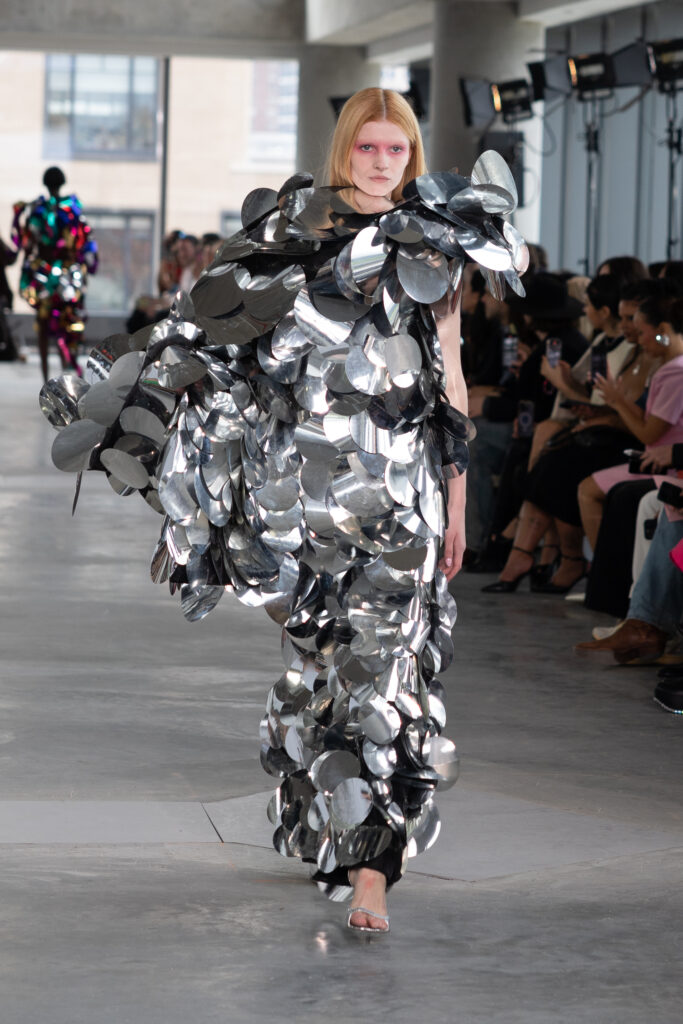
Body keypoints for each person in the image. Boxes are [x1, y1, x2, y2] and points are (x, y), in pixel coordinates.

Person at [39, 88, 527, 933]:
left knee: (393, 668)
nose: (382, 163)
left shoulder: (438, 247)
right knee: (326, 668)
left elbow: (448, 379)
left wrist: (455, 502)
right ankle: (333, 833)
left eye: (397, 150)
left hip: (404, 488)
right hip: (303, 497)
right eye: (368, 148)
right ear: (344, 151)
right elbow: (213, 342)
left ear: (412, 156)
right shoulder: (287, 241)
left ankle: (373, 871)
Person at [578, 292, 683, 551]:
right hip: (659, 462)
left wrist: (617, 401)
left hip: (668, 467)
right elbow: (650, 421)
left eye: (641, 331)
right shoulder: (668, 367)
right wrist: (617, 399)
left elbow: (648, 434)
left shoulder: (675, 373)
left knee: (588, 490)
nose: (638, 339)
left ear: (662, 331)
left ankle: (603, 565)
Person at [12, 166, 98, 381]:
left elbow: (27, 244)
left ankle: (49, 379)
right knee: (65, 329)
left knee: (46, 326)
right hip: (66, 275)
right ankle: (66, 377)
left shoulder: (39, 209)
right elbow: (83, 242)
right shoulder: (71, 209)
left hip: (46, 273)